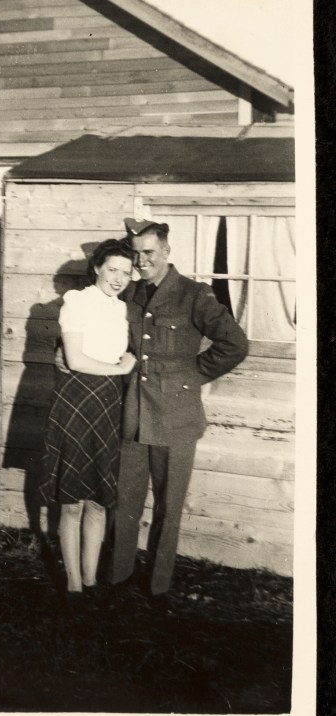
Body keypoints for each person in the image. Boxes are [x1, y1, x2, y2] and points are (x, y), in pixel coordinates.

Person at [107, 218, 249, 611]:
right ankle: (119, 577)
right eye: (135, 254)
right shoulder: (129, 294)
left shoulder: (193, 295)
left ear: (167, 252)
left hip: (176, 418)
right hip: (133, 414)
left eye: (148, 252)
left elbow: (234, 344)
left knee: (169, 507)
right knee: (125, 500)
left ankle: (158, 587)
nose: (141, 261)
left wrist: (192, 375)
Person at [37, 238, 138, 605]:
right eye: (112, 269)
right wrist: (120, 367)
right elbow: (76, 360)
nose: (118, 278)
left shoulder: (122, 310)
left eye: (126, 273)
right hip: (77, 401)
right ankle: (74, 584)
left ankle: (92, 578)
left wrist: (126, 362)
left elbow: (125, 352)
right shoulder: (77, 302)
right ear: (96, 268)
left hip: (108, 405)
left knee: (97, 499)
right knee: (72, 500)